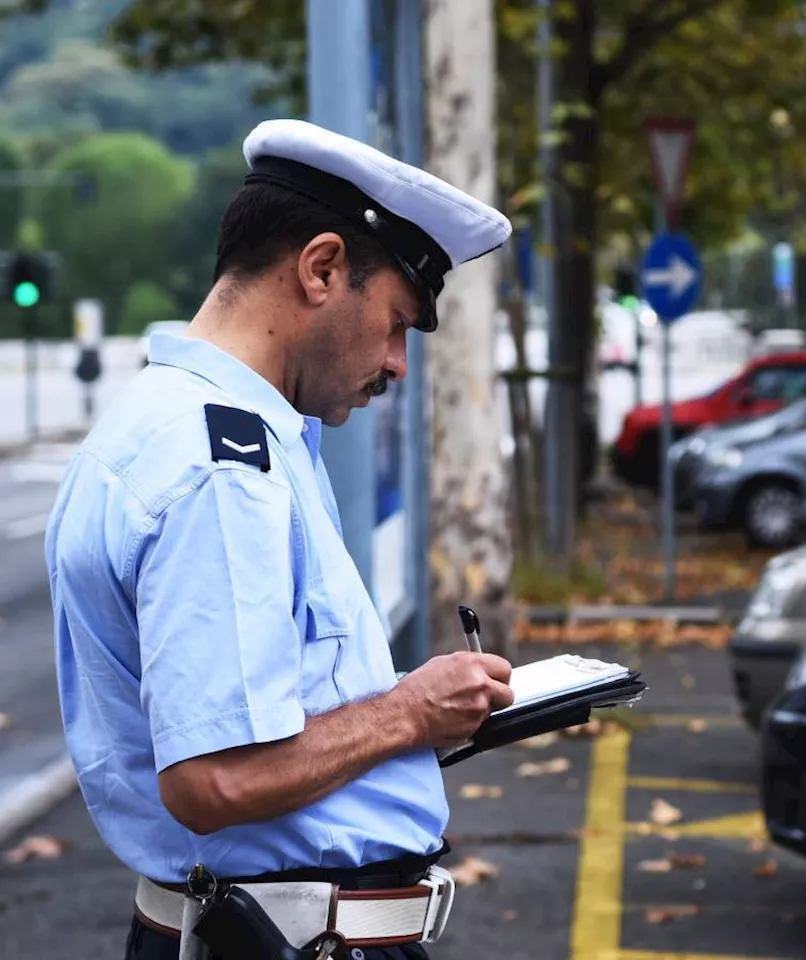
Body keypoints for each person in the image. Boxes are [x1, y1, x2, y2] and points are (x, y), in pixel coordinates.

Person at [44, 118, 515, 960]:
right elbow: (215, 778)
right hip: (295, 941)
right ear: (323, 268)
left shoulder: (163, 423)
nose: (397, 362)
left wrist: (413, 709)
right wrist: (409, 712)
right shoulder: (221, 466)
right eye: (398, 322)